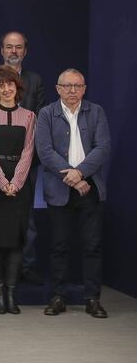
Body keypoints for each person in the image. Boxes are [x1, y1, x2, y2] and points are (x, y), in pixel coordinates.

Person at [36, 69, 111, 318]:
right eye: (67, 86)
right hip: (60, 189)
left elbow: (103, 147)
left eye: (77, 86)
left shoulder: (96, 112)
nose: (72, 91)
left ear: (84, 89)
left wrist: (80, 173)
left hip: (91, 188)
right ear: (58, 89)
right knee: (59, 246)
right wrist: (72, 177)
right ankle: (58, 297)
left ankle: (93, 299)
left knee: (92, 246)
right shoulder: (47, 113)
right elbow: (45, 151)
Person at [0, 31, 44, 286]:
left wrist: (16, 180)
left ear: (25, 51)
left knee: (25, 220)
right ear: (2, 50)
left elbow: (37, 123)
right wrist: (0, 178)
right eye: (9, 46)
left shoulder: (35, 81)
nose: (13, 51)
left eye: (18, 47)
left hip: (24, 164)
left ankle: (23, 268)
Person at [0, 65, 36, 314]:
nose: (6, 89)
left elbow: (28, 152)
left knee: (16, 241)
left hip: (19, 184)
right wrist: (3, 183)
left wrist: (16, 182)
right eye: (1, 85)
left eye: (10, 84)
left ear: (17, 87)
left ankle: (11, 295)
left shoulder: (29, 116)